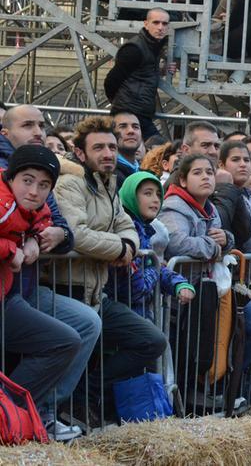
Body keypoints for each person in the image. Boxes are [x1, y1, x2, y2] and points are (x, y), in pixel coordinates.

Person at [53, 116, 168, 421]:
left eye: (112, 147)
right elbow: (76, 233)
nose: (108, 153)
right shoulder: (69, 184)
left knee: (152, 340)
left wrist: (129, 246)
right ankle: (63, 407)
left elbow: (125, 224)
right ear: (80, 153)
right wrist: (118, 248)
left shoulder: (108, 183)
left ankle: (86, 392)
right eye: (99, 147)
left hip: (97, 292)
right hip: (67, 288)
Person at [0, 107, 100, 439]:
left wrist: (45, 238)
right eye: (27, 124)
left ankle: (28, 412)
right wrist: (14, 248)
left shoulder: (44, 184)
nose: (38, 131)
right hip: (13, 291)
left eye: (42, 125)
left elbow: (62, 229)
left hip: (19, 291)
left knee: (80, 328)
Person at [160, 152, 251, 372]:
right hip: (182, 297)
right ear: (183, 180)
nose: (205, 177)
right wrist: (216, 247)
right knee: (187, 356)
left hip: (211, 291)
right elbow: (177, 244)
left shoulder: (209, 207)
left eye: (209, 173)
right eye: (197, 173)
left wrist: (226, 239)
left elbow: (226, 237)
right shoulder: (174, 206)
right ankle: (198, 392)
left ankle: (225, 379)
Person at [108, 171, 194, 318]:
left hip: (139, 314)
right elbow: (136, 288)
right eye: (148, 194)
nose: (155, 200)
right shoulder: (126, 231)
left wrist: (179, 283)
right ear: (131, 196)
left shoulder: (144, 229)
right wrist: (155, 267)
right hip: (123, 314)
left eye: (158, 195)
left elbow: (150, 266)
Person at [104, 9, 172, 139]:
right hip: (129, 113)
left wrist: (163, 69)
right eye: (156, 23)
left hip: (138, 113)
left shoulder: (153, 46)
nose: (160, 27)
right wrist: (122, 104)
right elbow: (111, 81)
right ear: (146, 24)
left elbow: (143, 74)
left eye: (164, 24)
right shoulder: (134, 49)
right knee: (159, 150)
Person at [111, 110, 143, 188]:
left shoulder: (144, 174)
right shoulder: (108, 175)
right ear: (111, 134)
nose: (131, 131)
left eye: (135, 127)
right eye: (123, 126)